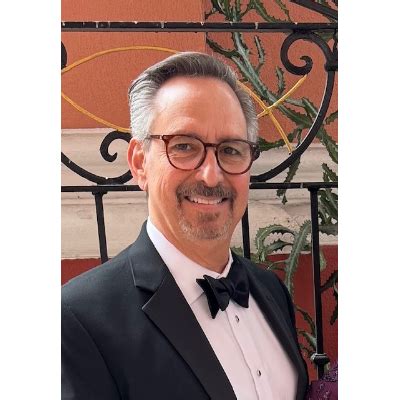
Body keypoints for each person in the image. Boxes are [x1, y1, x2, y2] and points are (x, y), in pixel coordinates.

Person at [62, 52, 308, 400]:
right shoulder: (76, 320)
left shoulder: (270, 291)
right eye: (184, 146)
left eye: (231, 150)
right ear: (140, 162)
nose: (211, 175)